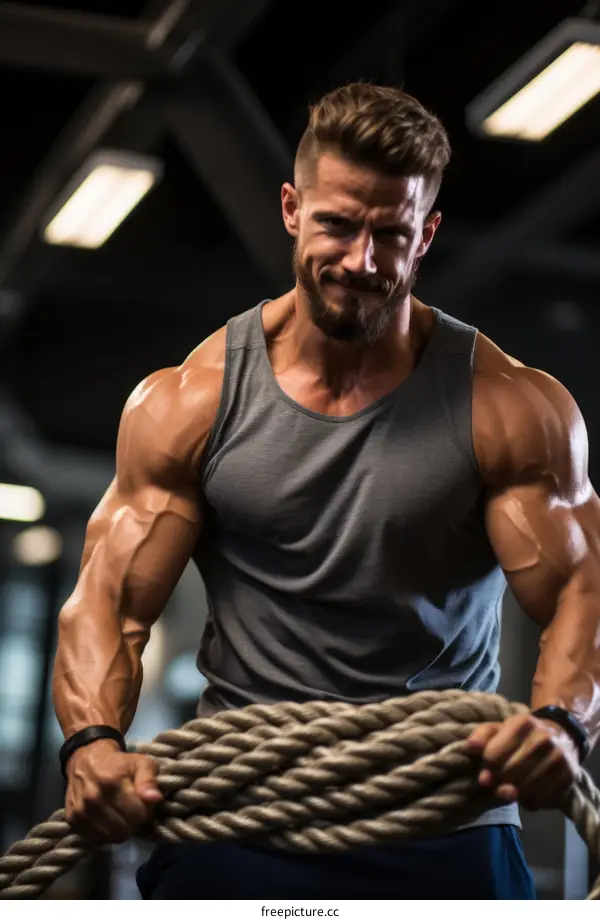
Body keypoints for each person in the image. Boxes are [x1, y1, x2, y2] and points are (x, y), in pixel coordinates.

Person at [52, 83, 600, 900]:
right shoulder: (190, 401)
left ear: (429, 235)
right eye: (338, 225)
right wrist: (92, 741)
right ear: (290, 208)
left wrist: (561, 722)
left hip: (443, 814)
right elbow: (110, 602)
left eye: (393, 234)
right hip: (241, 814)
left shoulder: (511, 406)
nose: (362, 262)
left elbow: (583, 589)